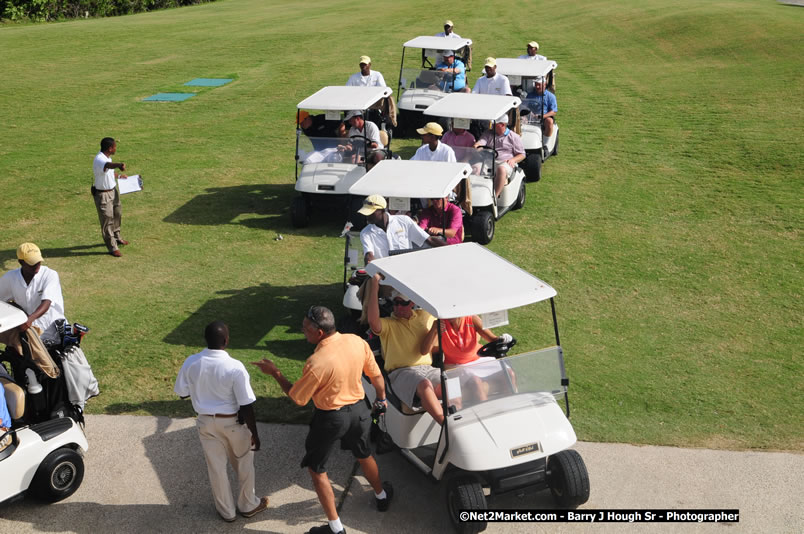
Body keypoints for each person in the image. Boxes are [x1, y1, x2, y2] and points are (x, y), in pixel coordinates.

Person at [252, 306, 393, 534]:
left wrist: (276, 373)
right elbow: (376, 375)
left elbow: (298, 398)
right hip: (359, 412)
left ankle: (336, 529)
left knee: (317, 469)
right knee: (364, 454)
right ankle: (382, 496)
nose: (302, 330)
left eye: (305, 328)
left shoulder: (316, 362)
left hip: (331, 419)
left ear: (319, 333)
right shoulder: (357, 342)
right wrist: (382, 399)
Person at [174, 321, 269, 523]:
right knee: (244, 464)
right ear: (226, 340)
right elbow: (246, 405)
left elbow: (182, 393)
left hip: (206, 424)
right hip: (234, 423)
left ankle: (227, 512)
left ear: (206, 339)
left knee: (216, 468)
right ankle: (248, 505)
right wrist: (255, 433)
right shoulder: (235, 367)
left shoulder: (191, 362)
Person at [367, 274, 445, 425]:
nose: (397, 307)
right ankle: (446, 426)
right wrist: (375, 285)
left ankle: (458, 420)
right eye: (395, 303)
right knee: (424, 385)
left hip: (427, 368)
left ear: (412, 303)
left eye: (402, 303)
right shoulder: (388, 324)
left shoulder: (424, 316)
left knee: (449, 384)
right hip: (401, 372)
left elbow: (439, 303)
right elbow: (372, 320)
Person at [0, 243, 66, 344]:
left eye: (38, 261)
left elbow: (46, 303)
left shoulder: (50, 275)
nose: (37, 265)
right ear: (21, 262)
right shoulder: (10, 278)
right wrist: (19, 313)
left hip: (52, 327)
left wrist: (29, 319)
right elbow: (2, 302)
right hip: (29, 331)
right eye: (32, 263)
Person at [358, 195, 445, 264]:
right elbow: (369, 254)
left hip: (406, 270)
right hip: (383, 274)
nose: (367, 216)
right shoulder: (365, 233)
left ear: (382, 210)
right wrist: (369, 260)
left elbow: (428, 239)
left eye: (371, 213)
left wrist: (451, 249)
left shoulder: (404, 221)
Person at [92, 137, 130, 257]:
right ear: (110, 148)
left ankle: (117, 237)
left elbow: (109, 172)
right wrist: (119, 164)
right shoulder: (100, 159)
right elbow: (108, 165)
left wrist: (118, 176)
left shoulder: (107, 157)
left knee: (117, 214)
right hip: (103, 194)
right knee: (107, 220)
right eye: (114, 146)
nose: (115, 148)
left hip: (113, 191)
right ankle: (112, 247)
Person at [474, 114, 525, 197]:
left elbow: (522, 154)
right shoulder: (488, 133)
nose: (492, 125)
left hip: (505, 162)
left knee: (501, 169)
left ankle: (495, 197)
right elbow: (481, 142)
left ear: (502, 124)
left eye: (495, 124)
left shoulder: (513, 137)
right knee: (475, 167)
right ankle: (477, 194)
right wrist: (477, 145)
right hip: (489, 161)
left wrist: (513, 160)